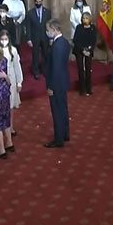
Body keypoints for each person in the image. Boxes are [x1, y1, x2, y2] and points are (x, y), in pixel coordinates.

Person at [44, 19, 70, 148]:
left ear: (54, 30)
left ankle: (59, 139)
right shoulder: (63, 42)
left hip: (56, 84)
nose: (47, 32)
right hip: (62, 82)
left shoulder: (57, 46)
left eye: (48, 30)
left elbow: (56, 68)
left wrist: (51, 87)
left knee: (57, 111)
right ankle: (65, 133)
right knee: (63, 109)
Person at [0, 30, 23, 135]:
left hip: (11, 79)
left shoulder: (13, 50)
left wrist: (19, 82)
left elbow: (17, 66)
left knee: (11, 105)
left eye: (6, 39)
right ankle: (1, 128)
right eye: (2, 39)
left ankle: (11, 127)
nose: (4, 41)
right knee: (1, 106)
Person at [25, 0, 51, 80]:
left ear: (42, 2)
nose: (38, 3)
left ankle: (45, 70)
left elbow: (49, 25)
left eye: (40, 1)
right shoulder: (30, 13)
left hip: (45, 37)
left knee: (45, 54)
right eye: (37, 1)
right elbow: (28, 27)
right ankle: (35, 71)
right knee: (35, 55)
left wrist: (51, 37)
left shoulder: (47, 12)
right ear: (34, 2)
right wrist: (28, 39)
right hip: (34, 37)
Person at [73, 12, 97, 96]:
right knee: (81, 70)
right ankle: (82, 89)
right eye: (83, 18)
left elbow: (94, 40)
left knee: (88, 70)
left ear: (89, 19)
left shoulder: (93, 28)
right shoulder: (79, 27)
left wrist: (89, 50)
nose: (85, 20)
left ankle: (88, 88)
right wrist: (83, 50)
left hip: (89, 51)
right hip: (79, 51)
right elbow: (75, 40)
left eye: (86, 18)